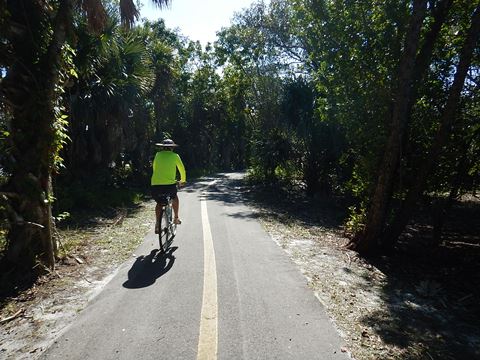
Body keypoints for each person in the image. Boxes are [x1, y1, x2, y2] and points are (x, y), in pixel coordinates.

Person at [151, 139, 186, 233]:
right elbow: (182, 169)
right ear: (172, 148)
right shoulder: (175, 156)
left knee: (159, 203)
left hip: (156, 184)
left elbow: (154, 167)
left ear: (162, 147)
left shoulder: (157, 155)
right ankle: (176, 218)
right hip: (169, 185)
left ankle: (158, 224)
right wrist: (182, 181)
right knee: (175, 198)